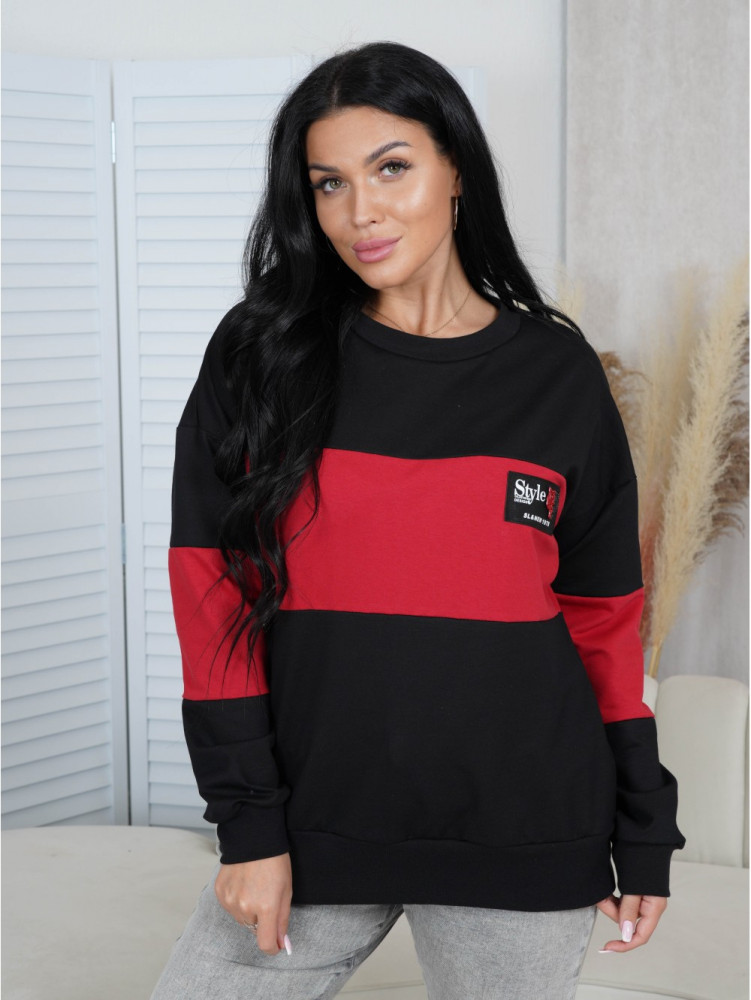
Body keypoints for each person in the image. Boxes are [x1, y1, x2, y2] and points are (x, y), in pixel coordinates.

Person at [151, 40, 687, 1000]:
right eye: (328, 183)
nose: (360, 210)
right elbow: (214, 601)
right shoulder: (260, 357)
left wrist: (643, 828)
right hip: (310, 822)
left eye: (391, 167)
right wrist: (248, 826)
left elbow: (602, 623)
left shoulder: (557, 374)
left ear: (456, 171)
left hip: (527, 825)